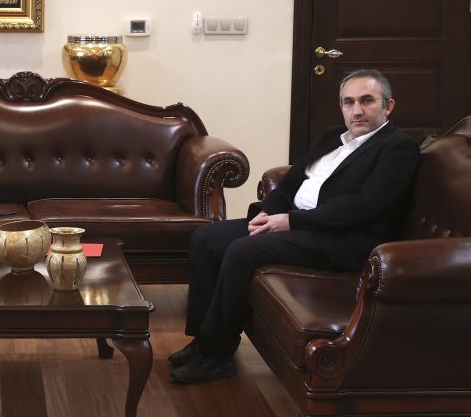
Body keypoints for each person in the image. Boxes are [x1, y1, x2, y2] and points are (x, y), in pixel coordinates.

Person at [170, 69, 420, 384]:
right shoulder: (333, 137)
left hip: (340, 239)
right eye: (348, 102)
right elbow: (291, 182)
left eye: (367, 101)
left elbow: (364, 206)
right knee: (206, 237)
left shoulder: (398, 148)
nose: (356, 110)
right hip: (298, 223)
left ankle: (217, 355)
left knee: (242, 251)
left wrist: (291, 220)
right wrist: (267, 211)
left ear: (388, 106)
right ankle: (202, 341)